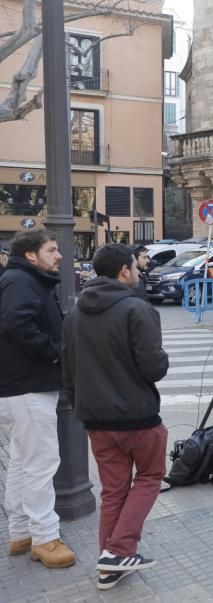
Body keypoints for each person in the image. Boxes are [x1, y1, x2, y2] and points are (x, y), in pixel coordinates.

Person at [62, 244, 168, 589]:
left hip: (96, 418)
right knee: (150, 477)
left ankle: (109, 565)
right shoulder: (137, 309)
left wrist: (82, 407)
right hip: (137, 415)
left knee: (113, 492)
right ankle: (119, 550)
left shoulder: (74, 314)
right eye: (136, 266)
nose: (139, 270)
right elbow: (154, 367)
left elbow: (68, 370)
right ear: (125, 270)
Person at [0, 229, 77, 569]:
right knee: (40, 464)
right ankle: (46, 538)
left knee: (21, 461)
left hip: (20, 386)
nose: (59, 255)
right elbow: (17, 324)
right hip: (28, 386)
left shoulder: (20, 278)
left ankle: (20, 532)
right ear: (32, 254)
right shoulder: (21, 281)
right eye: (52, 249)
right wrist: (56, 354)